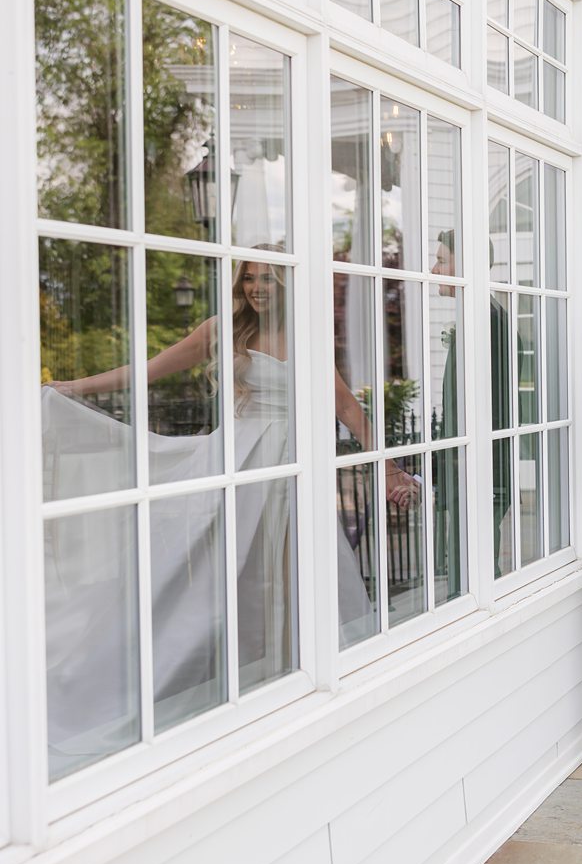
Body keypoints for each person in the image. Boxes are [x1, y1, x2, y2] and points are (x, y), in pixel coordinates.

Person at [42, 256, 409, 775]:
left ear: (286, 285)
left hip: (291, 470)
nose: (257, 288)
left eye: (267, 279)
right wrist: (71, 389)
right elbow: (149, 370)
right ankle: (211, 681)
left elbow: (346, 408)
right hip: (236, 464)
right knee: (212, 574)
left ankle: (297, 678)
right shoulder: (222, 330)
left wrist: (389, 466)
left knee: (294, 570)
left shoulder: (307, 334)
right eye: (249, 279)